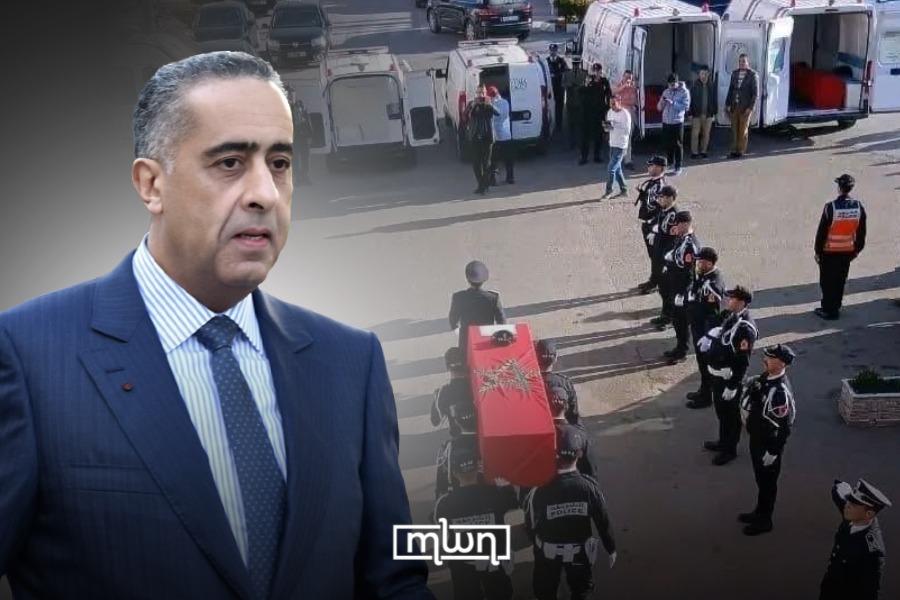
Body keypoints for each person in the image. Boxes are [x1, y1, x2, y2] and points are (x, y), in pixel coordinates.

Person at [0, 51, 434, 600]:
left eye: (280, 162)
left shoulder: (351, 362)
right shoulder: (29, 357)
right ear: (151, 184)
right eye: (230, 162)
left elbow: (393, 582)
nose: (264, 193)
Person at [523, 425, 617, 600]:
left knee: (545, 591)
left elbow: (529, 523)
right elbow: (602, 521)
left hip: (547, 553)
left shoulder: (538, 491)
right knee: (581, 590)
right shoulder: (589, 487)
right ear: (579, 454)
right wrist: (610, 547)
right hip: (579, 553)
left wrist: (536, 543)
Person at [433, 440, 518, 600]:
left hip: (464, 567)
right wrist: (505, 485)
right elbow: (514, 504)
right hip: (495, 563)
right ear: (477, 468)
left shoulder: (445, 503)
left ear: (454, 473)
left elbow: (441, 528)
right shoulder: (496, 493)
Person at [738, 344, 797, 536]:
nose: (765, 360)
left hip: (768, 444)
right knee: (761, 480)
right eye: (766, 357)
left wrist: (773, 452)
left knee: (767, 484)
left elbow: (785, 427)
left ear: (781, 364)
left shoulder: (779, 392)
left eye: (770, 358)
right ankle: (759, 512)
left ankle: (765, 520)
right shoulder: (766, 378)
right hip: (757, 439)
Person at [697, 286, 758, 466]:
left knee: (730, 417)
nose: (728, 301)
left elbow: (742, 362)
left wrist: (732, 386)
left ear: (742, 302)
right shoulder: (733, 317)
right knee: (721, 413)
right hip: (718, 377)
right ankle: (723, 442)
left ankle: (730, 450)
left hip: (728, 379)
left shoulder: (745, 328)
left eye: (732, 299)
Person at [820, 479, 891, 600]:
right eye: (849, 501)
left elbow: (870, 591)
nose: (847, 506)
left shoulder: (873, 551)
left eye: (853, 505)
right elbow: (840, 496)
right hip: (828, 590)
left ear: (869, 514)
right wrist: (840, 485)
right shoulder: (853, 515)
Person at [814, 174, 867, 320]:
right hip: (846, 252)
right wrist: (856, 250)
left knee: (827, 282)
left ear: (839, 188)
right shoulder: (858, 207)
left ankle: (828, 309)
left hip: (829, 252)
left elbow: (822, 232)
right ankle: (835, 307)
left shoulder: (831, 208)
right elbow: (861, 232)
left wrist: (818, 251)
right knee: (840, 281)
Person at [685, 247, 727, 409]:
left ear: (709, 264)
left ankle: (707, 396)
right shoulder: (704, 275)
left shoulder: (714, 283)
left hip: (706, 328)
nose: (698, 264)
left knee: (706, 363)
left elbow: (714, 306)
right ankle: (703, 390)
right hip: (699, 324)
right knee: (701, 361)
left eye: (701, 262)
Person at [663, 210, 701, 363]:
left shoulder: (691, 245)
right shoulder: (683, 238)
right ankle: (679, 347)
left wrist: (683, 292)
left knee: (681, 321)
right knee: (676, 319)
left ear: (685, 224)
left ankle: (682, 351)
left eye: (677, 224)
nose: (675, 227)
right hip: (676, 284)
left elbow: (689, 272)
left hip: (683, 288)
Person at [449, 260, 506, 351]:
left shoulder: (458, 297)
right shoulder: (493, 298)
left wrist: (456, 329)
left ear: (468, 279)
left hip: (466, 338)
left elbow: (453, 318)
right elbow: (501, 321)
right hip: (486, 337)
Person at [647, 185, 680, 329]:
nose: (659, 199)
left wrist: (667, 261)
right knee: (662, 289)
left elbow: (671, 237)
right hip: (660, 253)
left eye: (662, 197)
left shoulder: (673, 215)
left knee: (669, 290)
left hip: (667, 257)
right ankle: (665, 314)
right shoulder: (664, 210)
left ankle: (670, 318)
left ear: (670, 198)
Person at [635, 156, 669, 293]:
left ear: (659, 168)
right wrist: (643, 194)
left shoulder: (660, 186)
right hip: (648, 224)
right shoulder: (653, 182)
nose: (649, 168)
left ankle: (656, 282)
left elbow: (661, 208)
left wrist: (655, 228)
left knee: (657, 256)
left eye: (652, 166)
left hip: (653, 226)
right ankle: (654, 279)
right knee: (653, 255)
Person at [431, 346, 476, 438]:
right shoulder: (479, 386)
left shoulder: (441, 393)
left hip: (459, 438)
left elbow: (435, 421)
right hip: (482, 435)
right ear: (466, 363)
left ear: (447, 367)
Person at [535, 338, 581, 425]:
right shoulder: (565, 383)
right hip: (562, 427)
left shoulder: (528, 383)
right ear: (555, 358)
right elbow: (573, 415)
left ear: (535, 359)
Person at [465, 84, 500, 194]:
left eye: (483, 92)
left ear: (485, 93)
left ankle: (484, 186)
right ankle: (481, 184)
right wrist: (472, 106)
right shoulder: (473, 103)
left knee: (486, 164)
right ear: (476, 93)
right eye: (479, 92)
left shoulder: (489, 103)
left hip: (487, 138)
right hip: (476, 137)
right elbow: (465, 115)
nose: (481, 95)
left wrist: (490, 105)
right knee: (476, 164)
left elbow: (498, 113)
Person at [725, 53, 759, 159]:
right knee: (734, 129)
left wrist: (750, 108)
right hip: (734, 105)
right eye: (740, 61)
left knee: (743, 130)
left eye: (744, 61)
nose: (742, 63)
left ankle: (740, 151)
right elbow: (730, 89)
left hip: (745, 107)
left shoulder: (752, 74)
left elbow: (755, 93)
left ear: (748, 62)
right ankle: (733, 150)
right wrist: (727, 104)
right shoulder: (735, 73)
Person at [656, 73, 690, 176]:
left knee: (677, 144)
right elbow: (659, 108)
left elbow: (686, 107)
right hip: (666, 121)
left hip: (677, 122)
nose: (671, 86)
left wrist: (673, 103)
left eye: (673, 84)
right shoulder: (666, 92)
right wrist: (662, 103)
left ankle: (678, 166)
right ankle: (670, 162)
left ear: (677, 83)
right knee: (668, 143)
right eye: (669, 84)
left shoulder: (684, 92)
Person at [578, 63, 612, 165]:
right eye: (595, 71)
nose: (597, 73)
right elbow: (581, 91)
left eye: (598, 71)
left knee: (599, 135)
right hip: (587, 112)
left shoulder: (604, 81)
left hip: (599, 112)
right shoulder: (589, 80)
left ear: (601, 71)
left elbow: (609, 94)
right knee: (585, 136)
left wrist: (608, 108)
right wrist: (586, 84)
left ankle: (597, 156)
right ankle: (584, 157)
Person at [601, 94, 632, 200]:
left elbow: (627, 130)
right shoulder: (610, 112)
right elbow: (608, 128)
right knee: (617, 169)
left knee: (611, 169)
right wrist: (606, 127)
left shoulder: (625, 114)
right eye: (610, 104)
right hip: (612, 143)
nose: (612, 106)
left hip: (621, 145)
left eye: (614, 103)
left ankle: (609, 191)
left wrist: (615, 125)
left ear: (619, 102)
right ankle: (624, 190)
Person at [487, 86, 515, 185]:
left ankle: (493, 179)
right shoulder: (505, 102)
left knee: (493, 160)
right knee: (508, 158)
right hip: (507, 135)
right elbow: (506, 115)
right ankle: (510, 178)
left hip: (496, 137)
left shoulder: (491, 105)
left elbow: (491, 118)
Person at [688, 65, 717, 159]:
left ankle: (703, 151)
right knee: (695, 133)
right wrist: (690, 113)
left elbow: (715, 99)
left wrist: (714, 112)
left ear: (708, 74)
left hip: (708, 114)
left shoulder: (712, 85)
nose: (703, 75)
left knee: (706, 134)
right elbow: (690, 100)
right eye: (702, 73)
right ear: (699, 74)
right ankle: (694, 152)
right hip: (696, 114)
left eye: (705, 73)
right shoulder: (694, 85)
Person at [612, 70, 637, 169]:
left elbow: (634, 101)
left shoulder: (633, 88)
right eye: (626, 77)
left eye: (630, 78)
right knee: (617, 138)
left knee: (628, 138)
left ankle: (628, 160)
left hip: (629, 115)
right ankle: (617, 159)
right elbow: (614, 92)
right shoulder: (619, 86)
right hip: (620, 115)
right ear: (622, 77)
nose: (628, 79)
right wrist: (624, 86)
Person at [288, 88, 314, 185]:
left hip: (303, 137)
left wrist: (310, 134)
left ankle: (305, 177)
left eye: (292, 94)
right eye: (289, 95)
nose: (291, 97)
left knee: (305, 157)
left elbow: (308, 120)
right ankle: (298, 178)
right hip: (292, 138)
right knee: (295, 159)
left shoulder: (300, 105)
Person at [564, 57, 588, 149]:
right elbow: (563, 84)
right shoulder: (567, 74)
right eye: (574, 64)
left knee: (579, 123)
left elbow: (587, 85)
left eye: (576, 64)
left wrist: (580, 87)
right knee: (571, 124)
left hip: (579, 103)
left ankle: (578, 142)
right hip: (571, 102)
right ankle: (572, 142)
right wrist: (569, 85)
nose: (575, 66)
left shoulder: (584, 74)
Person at [547, 43, 569, 134]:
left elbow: (566, 71)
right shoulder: (546, 61)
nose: (553, 52)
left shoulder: (561, 61)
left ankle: (559, 126)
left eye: (554, 50)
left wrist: (558, 75)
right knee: (549, 108)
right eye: (551, 50)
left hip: (559, 88)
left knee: (559, 108)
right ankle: (550, 125)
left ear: (556, 51)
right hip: (550, 89)